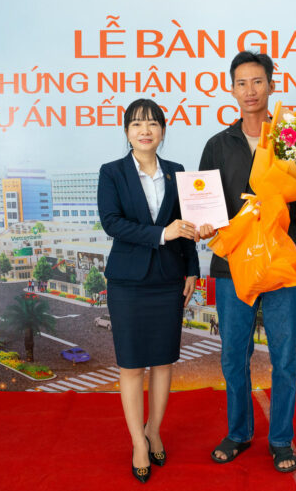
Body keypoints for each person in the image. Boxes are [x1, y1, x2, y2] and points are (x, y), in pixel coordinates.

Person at [197, 51, 296, 473]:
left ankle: (281, 439)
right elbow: (205, 207)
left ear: (271, 84)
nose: (249, 90)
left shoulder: (295, 142)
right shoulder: (217, 145)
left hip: (282, 264)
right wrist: (205, 224)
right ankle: (239, 433)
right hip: (233, 266)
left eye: (257, 81)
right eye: (241, 83)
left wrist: (278, 204)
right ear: (231, 89)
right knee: (234, 355)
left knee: (284, 357)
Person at [97, 98, 200, 483]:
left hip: (169, 279)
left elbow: (186, 226)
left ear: (162, 131)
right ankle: (137, 443)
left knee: (162, 362)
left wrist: (192, 269)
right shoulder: (112, 172)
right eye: (137, 124)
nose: (145, 130)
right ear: (127, 131)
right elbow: (112, 222)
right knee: (130, 365)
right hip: (127, 282)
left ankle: (154, 430)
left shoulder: (177, 172)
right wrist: (161, 233)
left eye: (153, 123)